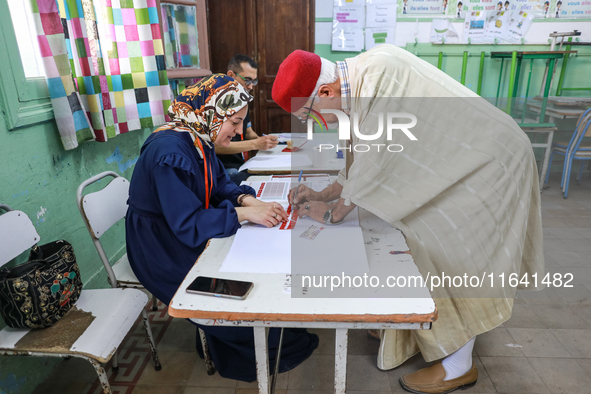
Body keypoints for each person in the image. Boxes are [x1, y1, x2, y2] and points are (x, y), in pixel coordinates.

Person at [272, 48, 544, 394]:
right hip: (465, 159)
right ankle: (427, 332)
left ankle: (458, 366)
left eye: (312, 114)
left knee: (454, 252)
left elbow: (374, 163)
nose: (317, 123)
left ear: (326, 92)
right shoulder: (359, 80)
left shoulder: (378, 78)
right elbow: (360, 160)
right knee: (415, 239)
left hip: (492, 163)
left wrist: (330, 213)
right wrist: (322, 194)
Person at [126, 74, 318, 382]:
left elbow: (218, 185)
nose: (240, 131)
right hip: (160, 246)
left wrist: (245, 199)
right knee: (243, 305)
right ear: (213, 112)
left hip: (180, 230)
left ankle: (234, 333)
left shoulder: (199, 135)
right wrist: (243, 214)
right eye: (235, 121)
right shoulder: (170, 152)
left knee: (253, 276)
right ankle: (227, 340)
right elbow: (187, 224)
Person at [215, 54, 278, 185]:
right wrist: (256, 144)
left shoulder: (242, 100)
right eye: (247, 80)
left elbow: (248, 132)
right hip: (222, 168)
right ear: (231, 75)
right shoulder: (216, 103)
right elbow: (215, 146)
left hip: (241, 164)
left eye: (254, 81)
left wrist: (265, 142)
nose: (250, 87)